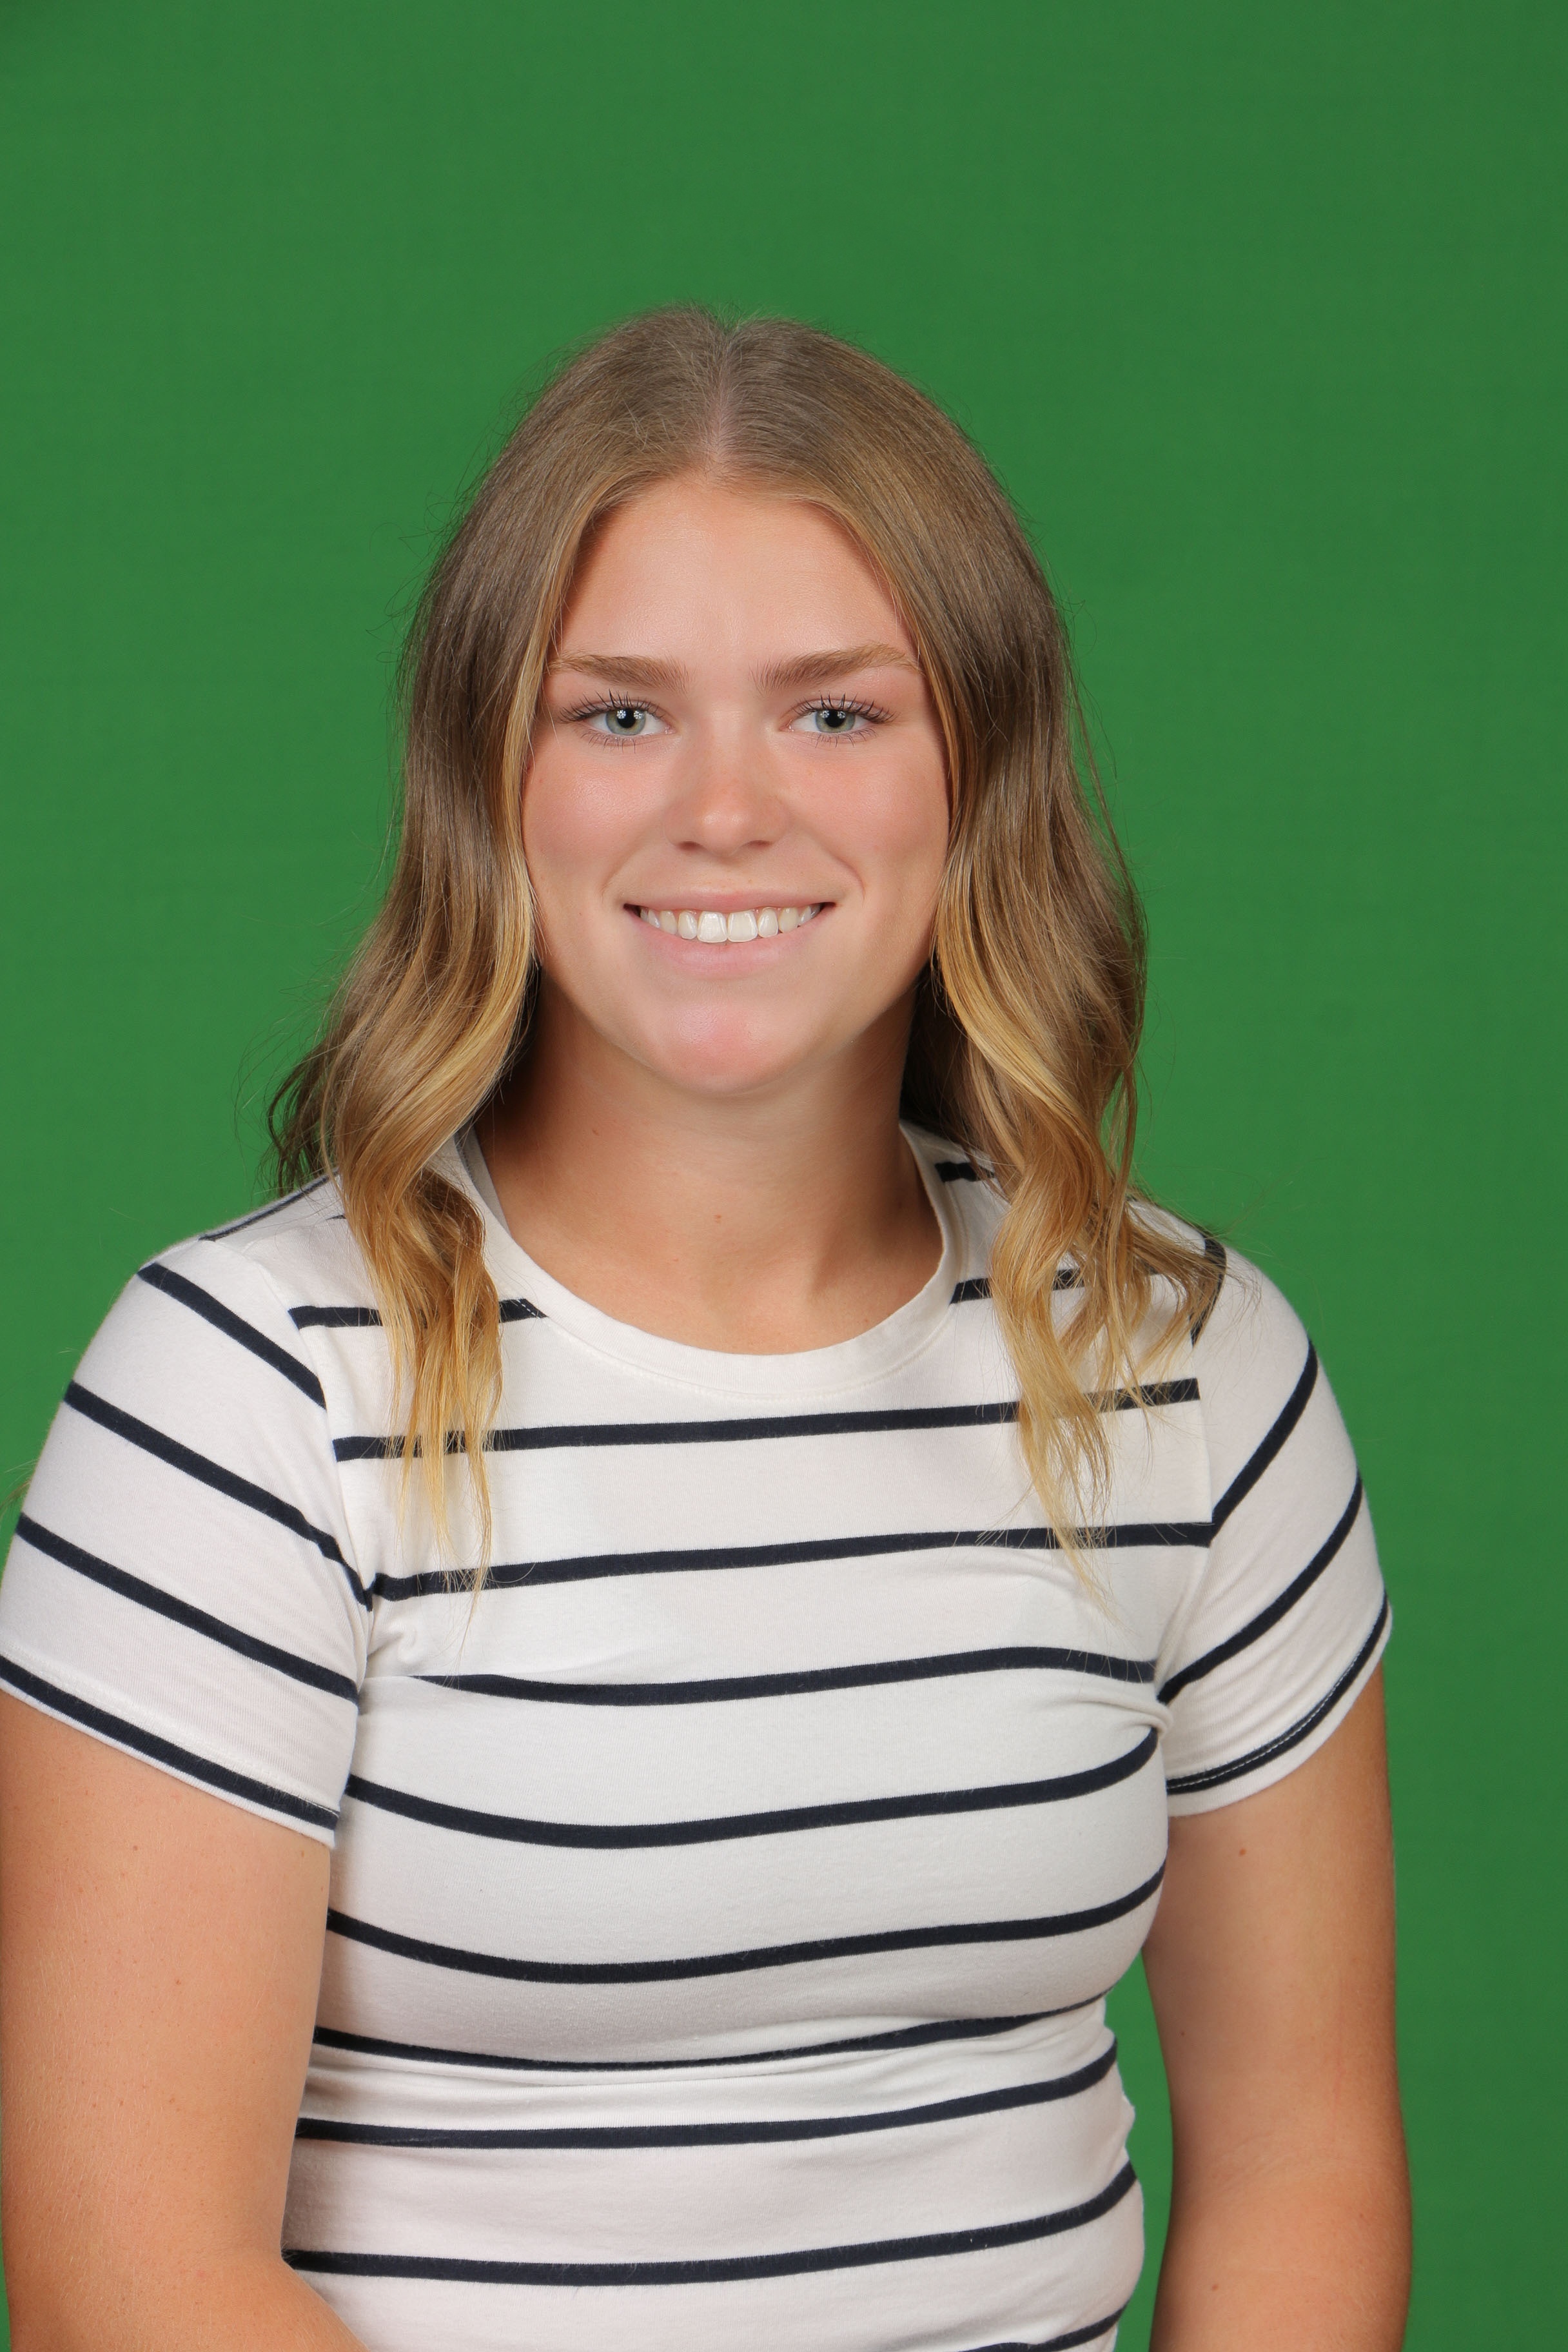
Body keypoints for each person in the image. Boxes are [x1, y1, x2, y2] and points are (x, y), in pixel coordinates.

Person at [0, 307, 1410, 2352]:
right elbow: (129, 2274)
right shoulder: (243, 1393)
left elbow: (1303, 2171)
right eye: (619, 714)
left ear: (977, 774)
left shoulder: (1188, 1366)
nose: (727, 809)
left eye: (836, 712)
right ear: (491, 782)